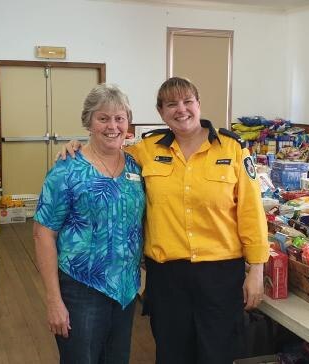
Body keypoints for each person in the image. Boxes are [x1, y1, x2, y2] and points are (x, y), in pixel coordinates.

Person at [60, 77, 269, 364]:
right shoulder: (147, 150)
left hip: (220, 276)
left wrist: (256, 270)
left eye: (187, 102)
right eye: (171, 104)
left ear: (199, 105)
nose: (181, 110)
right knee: (171, 354)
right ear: (161, 112)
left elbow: (252, 213)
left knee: (217, 354)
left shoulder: (232, 149)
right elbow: (107, 150)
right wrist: (77, 146)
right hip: (168, 278)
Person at [33, 84, 145, 364]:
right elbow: (42, 235)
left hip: (126, 289)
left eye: (119, 118)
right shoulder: (67, 170)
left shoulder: (136, 166)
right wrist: (53, 300)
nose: (113, 126)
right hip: (81, 289)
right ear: (89, 122)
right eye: (103, 118)